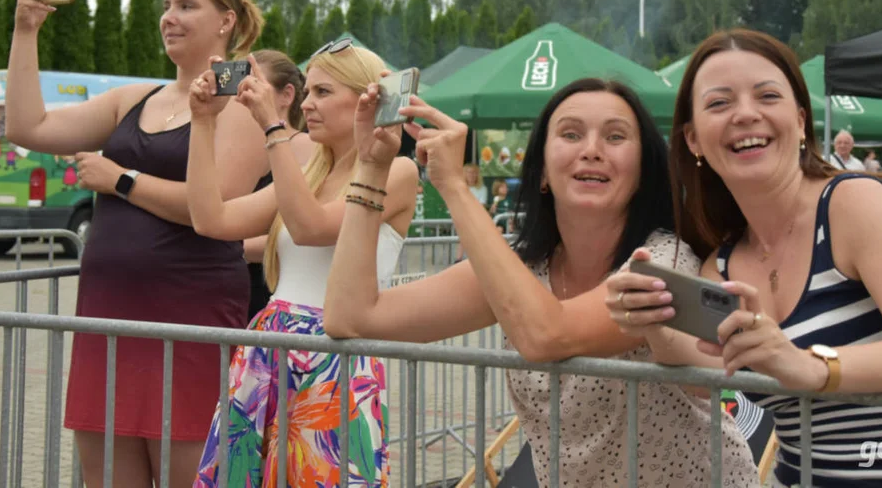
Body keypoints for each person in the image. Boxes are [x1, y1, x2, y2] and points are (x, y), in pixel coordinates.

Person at [605, 29, 882, 487]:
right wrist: (654, 322)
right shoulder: (722, 265)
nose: (746, 114)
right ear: (692, 140)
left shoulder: (851, 206)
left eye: (767, 95)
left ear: (801, 119)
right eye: (719, 103)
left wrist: (812, 366)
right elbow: (707, 375)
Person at [323, 78, 758, 488]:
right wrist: (371, 164)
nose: (592, 150)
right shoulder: (522, 270)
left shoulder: (665, 261)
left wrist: (454, 186)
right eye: (570, 134)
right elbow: (352, 315)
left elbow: (548, 335)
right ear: (543, 173)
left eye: (615, 136)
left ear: (645, 170)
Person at [5, 0, 268, 487]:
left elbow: (214, 209)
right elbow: (26, 127)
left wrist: (121, 179)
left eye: (187, 6)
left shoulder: (242, 104)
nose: (170, 17)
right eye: (167, 6)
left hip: (187, 320)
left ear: (226, 21)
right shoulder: (135, 98)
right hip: (108, 317)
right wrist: (26, 29)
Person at [187, 39, 418, 488]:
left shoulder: (398, 172)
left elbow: (312, 227)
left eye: (323, 92)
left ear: (367, 98)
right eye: (307, 92)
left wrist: (272, 124)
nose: (308, 104)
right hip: (267, 348)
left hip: (335, 357)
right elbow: (211, 219)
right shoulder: (310, 173)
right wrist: (202, 123)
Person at [243, 49, 316, 322]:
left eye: (254, 86)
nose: (244, 97)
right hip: (229, 288)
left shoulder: (309, 149)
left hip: (274, 296)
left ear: (287, 95)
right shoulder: (234, 150)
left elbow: (306, 229)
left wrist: (226, 249)